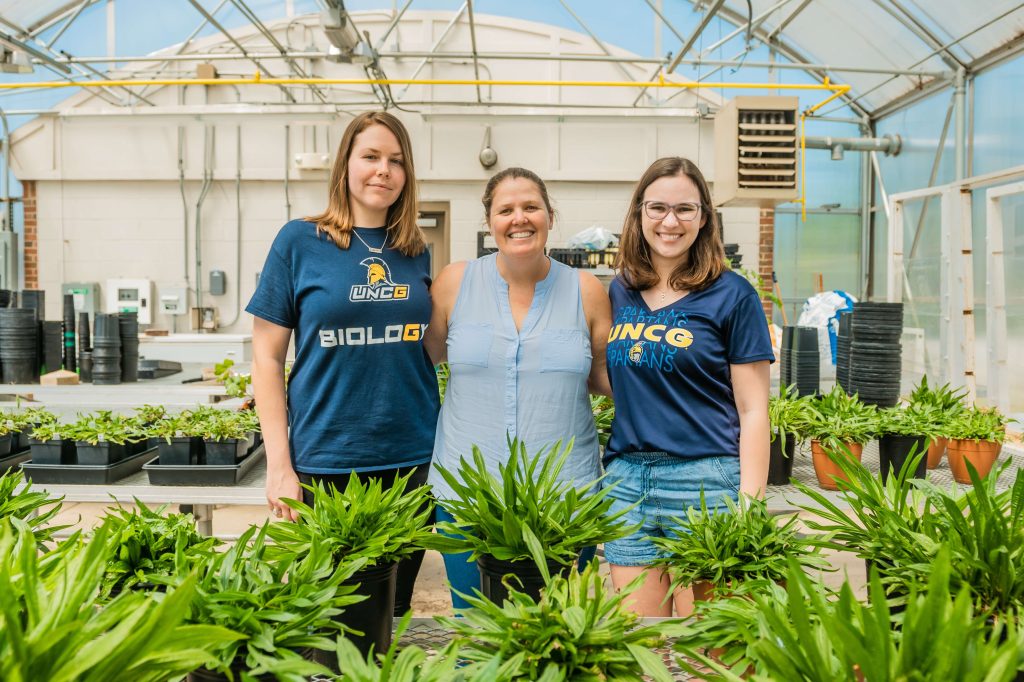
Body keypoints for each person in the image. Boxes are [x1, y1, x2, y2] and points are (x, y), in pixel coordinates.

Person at [247, 111, 439, 616]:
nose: (383, 170)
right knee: (326, 612)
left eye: (396, 161)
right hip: (325, 462)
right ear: (345, 166)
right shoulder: (299, 241)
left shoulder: (416, 252)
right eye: (370, 157)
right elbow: (267, 358)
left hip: (411, 461)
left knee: (390, 612)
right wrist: (279, 466)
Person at [423, 167, 612, 609]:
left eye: (531, 207)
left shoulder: (586, 290)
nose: (519, 218)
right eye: (505, 209)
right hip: (467, 494)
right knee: (477, 634)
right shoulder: (455, 282)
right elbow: (418, 365)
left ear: (550, 215)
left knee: (560, 637)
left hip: (566, 498)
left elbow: (606, 377)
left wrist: (686, 392)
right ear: (490, 221)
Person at [602, 157, 773, 617]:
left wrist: (750, 503)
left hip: (706, 483)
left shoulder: (733, 295)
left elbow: (754, 409)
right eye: (657, 207)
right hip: (626, 484)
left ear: (704, 219)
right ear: (639, 213)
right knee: (641, 646)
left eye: (685, 209)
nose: (670, 221)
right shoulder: (618, 292)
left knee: (712, 651)